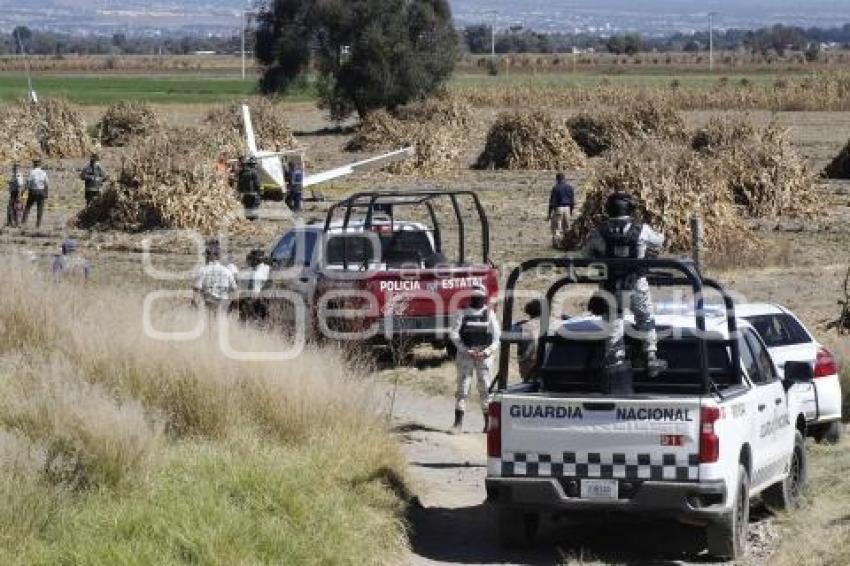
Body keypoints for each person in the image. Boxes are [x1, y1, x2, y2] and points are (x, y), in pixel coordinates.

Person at [583, 191, 666, 377]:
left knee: (613, 322)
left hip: (610, 285)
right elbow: (659, 241)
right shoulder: (641, 229)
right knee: (645, 318)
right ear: (630, 208)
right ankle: (651, 356)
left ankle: (615, 362)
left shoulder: (600, 231)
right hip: (637, 283)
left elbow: (586, 254)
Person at [449, 284, 500, 433]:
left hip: (484, 357)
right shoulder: (461, 313)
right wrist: (466, 350)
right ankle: (458, 424)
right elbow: (454, 334)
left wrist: (487, 351)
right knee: (463, 388)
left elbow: (497, 337)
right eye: (475, 296)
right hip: (466, 356)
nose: (478, 299)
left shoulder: (489, 314)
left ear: (484, 297)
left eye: (480, 297)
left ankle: (488, 424)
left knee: (485, 388)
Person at [193, 242, 238, 315]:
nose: (205, 257)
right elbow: (235, 290)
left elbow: (196, 289)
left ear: (210, 256)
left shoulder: (203, 270)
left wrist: (195, 305)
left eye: (207, 255)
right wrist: (235, 307)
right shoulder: (227, 271)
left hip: (209, 303)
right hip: (224, 304)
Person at [513, 299, 543, 382]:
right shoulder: (553, 324)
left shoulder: (522, 327)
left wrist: (517, 324)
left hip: (528, 373)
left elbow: (506, 335)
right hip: (549, 371)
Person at [239, 249, 271, 321]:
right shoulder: (267, 268)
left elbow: (255, 295)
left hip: (261, 303)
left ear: (256, 261)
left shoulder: (256, 275)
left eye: (251, 259)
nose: (250, 262)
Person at [548, 172, 576, 249]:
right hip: (567, 208)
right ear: (564, 178)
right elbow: (572, 201)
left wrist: (549, 213)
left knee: (557, 228)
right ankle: (567, 245)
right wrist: (571, 211)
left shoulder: (555, 188)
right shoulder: (570, 187)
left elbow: (552, 202)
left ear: (557, 179)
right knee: (567, 228)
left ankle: (557, 245)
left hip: (558, 208)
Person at [22, 158, 48, 228]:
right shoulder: (44, 172)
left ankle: (23, 223)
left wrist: (23, 191)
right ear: (40, 165)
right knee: (40, 209)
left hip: (33, 191)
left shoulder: (32, 172)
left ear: (34, 164)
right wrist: (46, 194)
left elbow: (28, 182)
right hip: (41, 191)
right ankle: (38, 225)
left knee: (27, 207)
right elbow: (46, 184)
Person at [6, 163, 24, 227]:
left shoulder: (18, 175)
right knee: (12, 208)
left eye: (15, 168)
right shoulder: (14, 175)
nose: (13, 169)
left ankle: (15, 223)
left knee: (16, 208)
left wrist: (19, 195)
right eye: (14, 168)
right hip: (14, 193)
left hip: (16, 193)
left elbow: (19, 185)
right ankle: (11, 222)